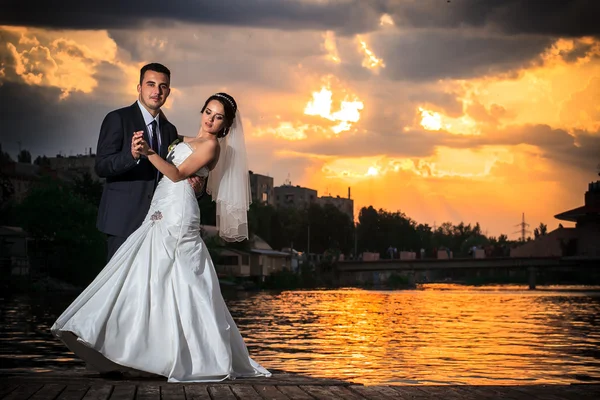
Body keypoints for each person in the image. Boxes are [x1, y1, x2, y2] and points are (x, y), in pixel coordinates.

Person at [51, 92, 270, 383]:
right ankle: (141, 352)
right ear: (202, 111)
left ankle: (190, 356)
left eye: (218, 117)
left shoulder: (211, 146)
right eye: (208, 111)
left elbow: (178, 174)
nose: (210, 119)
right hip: (160, 206)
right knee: (147, 277)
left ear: (225, 125)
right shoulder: (182, 139)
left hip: (179, 213)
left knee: (180, 278)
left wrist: (149, 153)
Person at [95, 62, 204, 261]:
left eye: (162, 86)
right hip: (122, 221)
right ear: (139, 87)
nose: (157, 91)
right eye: (151, 84)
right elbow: (101, 166)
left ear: (168, 92)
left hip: (158, 223)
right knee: (119, 287)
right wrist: (131, 156)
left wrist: (195, 187)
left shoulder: (169, 129)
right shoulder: (118, 118)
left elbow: (171, 172)